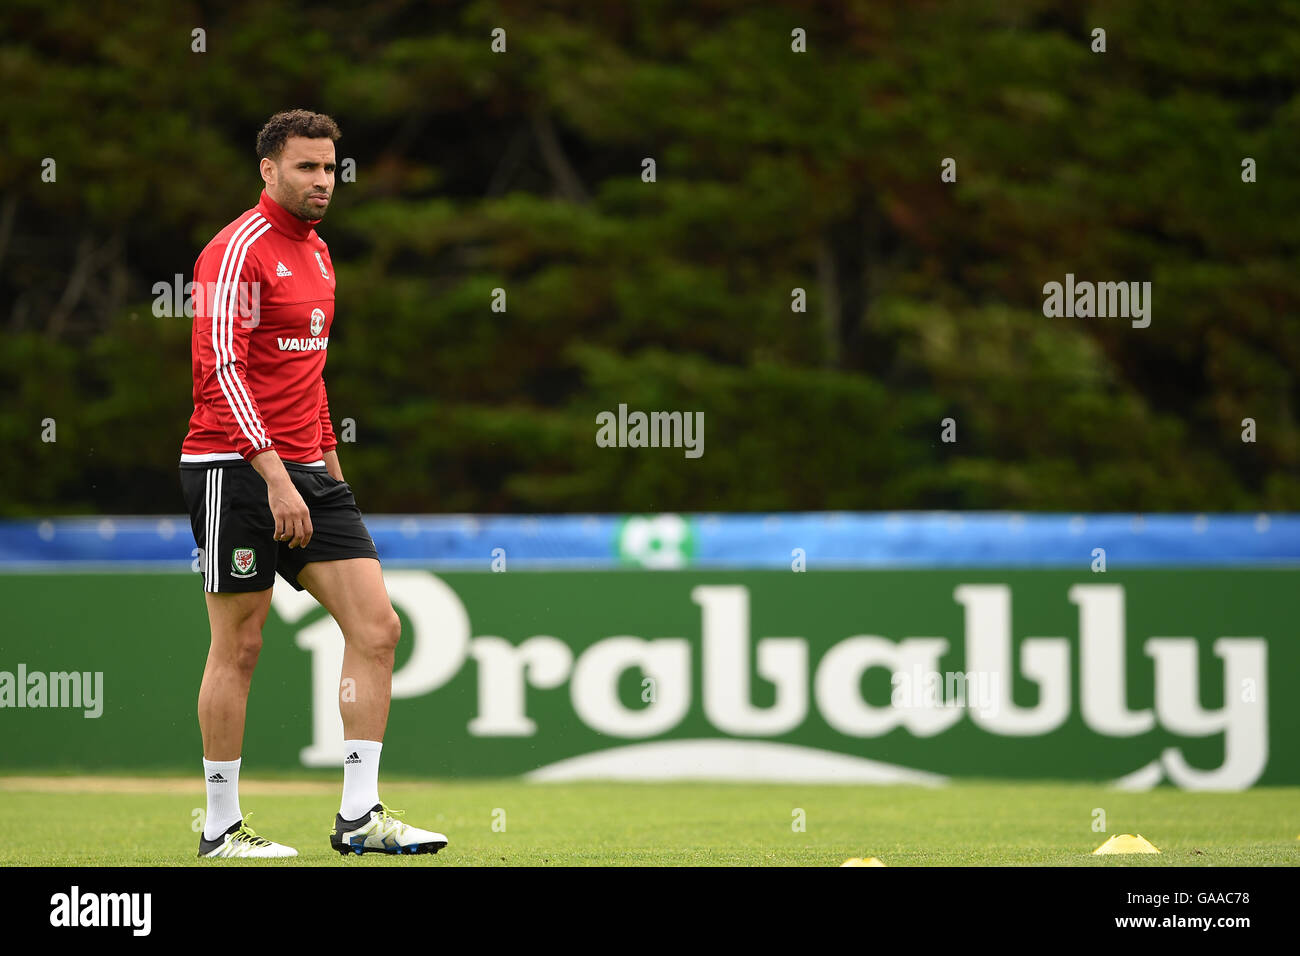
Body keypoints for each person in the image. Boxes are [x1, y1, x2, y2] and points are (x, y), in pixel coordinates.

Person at [179, 109, 446, 858]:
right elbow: (219, 370)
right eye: (306, 167)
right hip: (231, 469)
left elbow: (309, 374)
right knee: (242, 644)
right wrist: (272, 473)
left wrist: (327, 466)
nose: (323, 181)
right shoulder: (235, 252)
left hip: (305, 473)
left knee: (378, 629)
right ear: (268, 170)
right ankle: (221, 827)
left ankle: (360, 818)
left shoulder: (321, 255)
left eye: (330, 168)